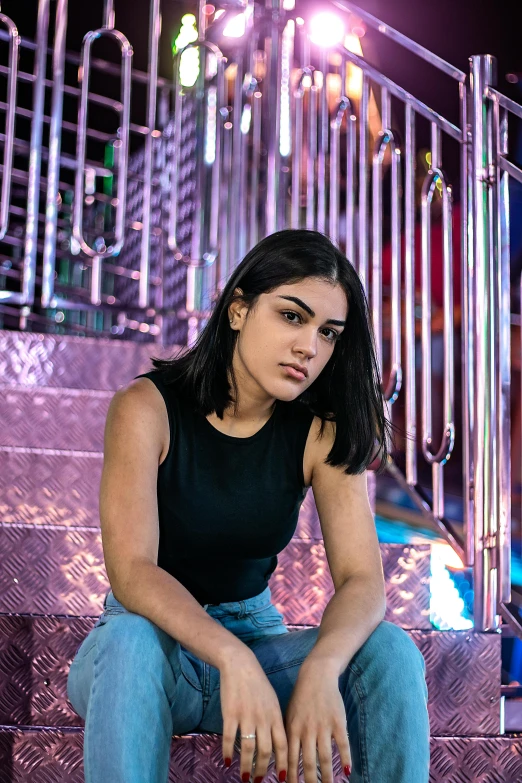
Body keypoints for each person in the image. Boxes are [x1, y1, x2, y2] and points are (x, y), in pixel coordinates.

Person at [67, 229, 430, 783]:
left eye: (328, 332)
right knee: (129, 638)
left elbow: (362, 580)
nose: (310, 347)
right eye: (292, 317)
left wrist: (322, 667)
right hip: (149, 652)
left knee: (390, 650)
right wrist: (228, 657)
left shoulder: (320, 432)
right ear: (238, 309)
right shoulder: (147, 408)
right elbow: (132, 571)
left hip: (259, 643)